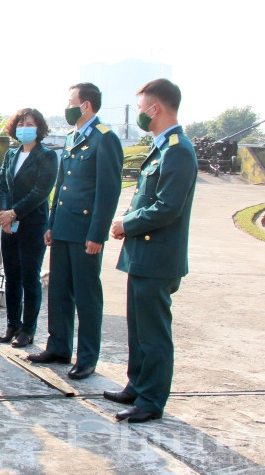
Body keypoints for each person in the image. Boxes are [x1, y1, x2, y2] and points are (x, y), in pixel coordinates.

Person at [107, 78, 196, 423]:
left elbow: (167, 207)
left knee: (154, 333)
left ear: (156, 109)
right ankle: (137, 385)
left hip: (158, 258)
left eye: (143, 108)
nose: (140, 114)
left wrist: (127, 224)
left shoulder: (178, 150)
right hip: (143, 256)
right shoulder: (162, 148)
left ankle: (151, 400)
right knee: (138, 329)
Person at [27, 83, 123, 380]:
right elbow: (62, 187)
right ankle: (58, 347)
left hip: (85, 233)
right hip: (64, 228)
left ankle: (87, 358)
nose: (67, 107)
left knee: (86, 296)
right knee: (59, 291)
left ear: (86, 105)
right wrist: (52, 224)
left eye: (71, 102)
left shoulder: (105, 139)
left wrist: (97, 234)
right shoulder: (72, 138)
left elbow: (108, 192)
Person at [0, 108, 58, 348]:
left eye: (30, 123)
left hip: (33, 225)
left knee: (30, 278)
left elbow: (41, 192)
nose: (24, 128)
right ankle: (12, 324)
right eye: (21, 124)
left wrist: (14, 212)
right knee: (11, 277)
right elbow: (0, 186)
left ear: (39, 128)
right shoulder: (11, 154)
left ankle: (28, 330)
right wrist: (3, 214)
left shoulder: (47, 156)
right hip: (8, 225)